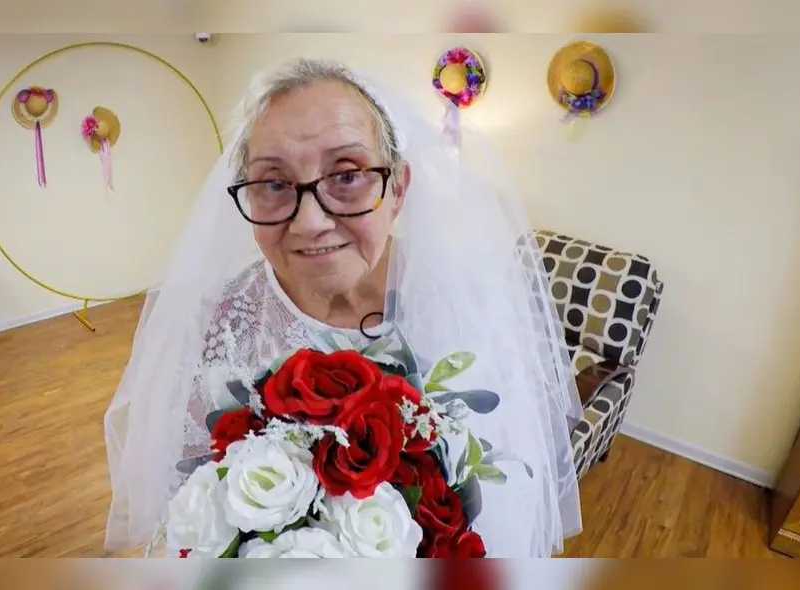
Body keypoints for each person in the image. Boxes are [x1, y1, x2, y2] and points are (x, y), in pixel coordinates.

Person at [103, 58, 583, 558]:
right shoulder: (217, 323)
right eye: (272, 183)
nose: (310, 222)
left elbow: (504, 494)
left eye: (348, 175)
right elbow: (190, 505)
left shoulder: (467, 304)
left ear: (397, 188)